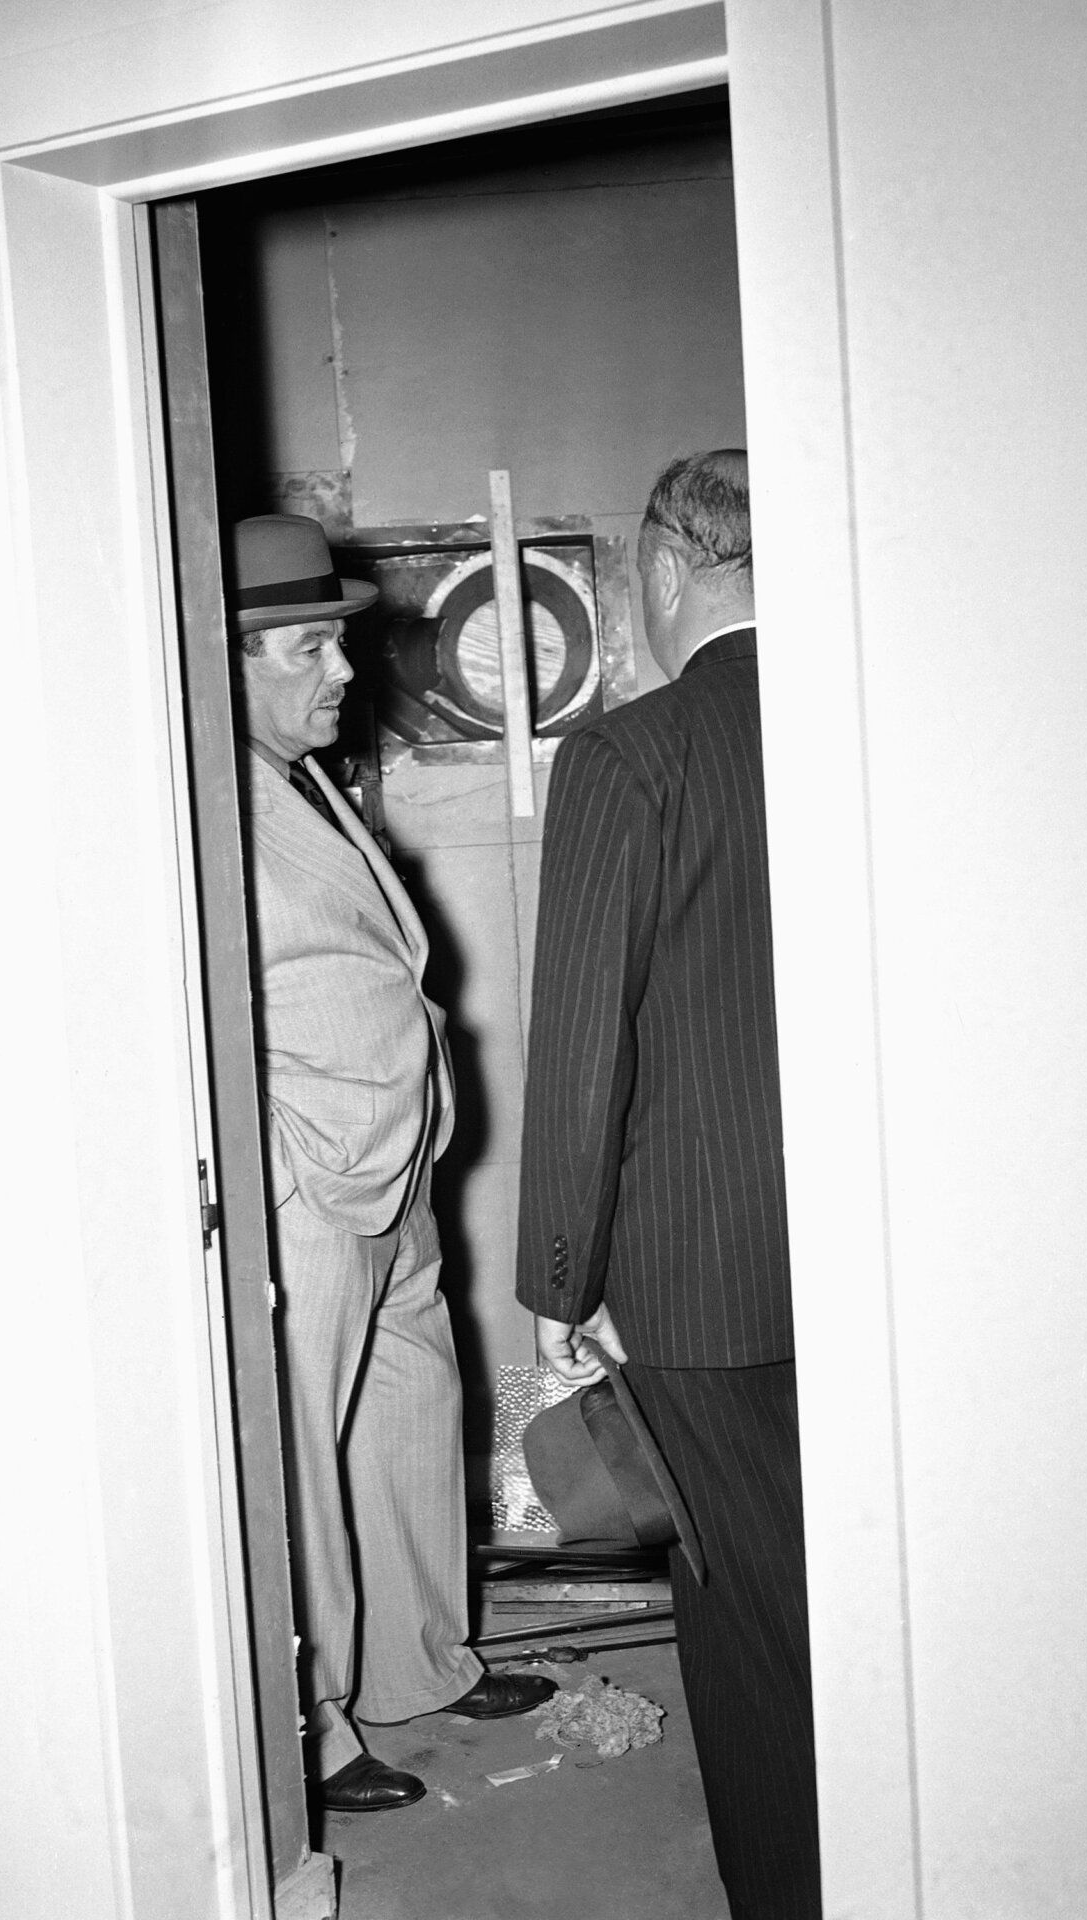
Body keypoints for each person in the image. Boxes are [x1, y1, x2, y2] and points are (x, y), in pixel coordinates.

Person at [515, 453, 821, 1916]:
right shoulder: (879, 723)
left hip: (702, 1280)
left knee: (752, 1635)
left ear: (659, 572)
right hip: (893, 1259)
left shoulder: (630, 752)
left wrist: (555, 1289)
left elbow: (583, 1047)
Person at [231, 513, 554, 1816]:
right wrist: (281, 1158)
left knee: (409, 1407)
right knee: (301, 1455)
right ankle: (312, 1735)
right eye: (308, 646)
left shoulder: (290, 774)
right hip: (310, 1180)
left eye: (338, 640)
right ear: (223, 657)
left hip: (393, 1157)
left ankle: (418, 1663)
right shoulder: (193, 796)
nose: (343, 670)